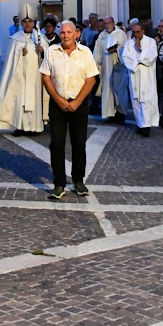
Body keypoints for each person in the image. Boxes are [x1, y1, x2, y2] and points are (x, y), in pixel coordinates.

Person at [40, 20, 99, 200]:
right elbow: (46, 77)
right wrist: (58, 100)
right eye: (63, 32)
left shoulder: (85, 53)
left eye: (69, 32)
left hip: (78, 104)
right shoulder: (52, 51)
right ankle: (59, 183)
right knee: (57, 144)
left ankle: (78, 180)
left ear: (76, 34)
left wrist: (77, 101)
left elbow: (91, 79)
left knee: (79, 144)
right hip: (57, 105)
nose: (65, 35)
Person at [0, 16, 47, 134]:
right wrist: (19, 53)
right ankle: (19, 126)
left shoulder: (40, 38)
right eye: (25, 22)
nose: (27, 24)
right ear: (21, 23)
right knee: (20, 101)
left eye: (30, 21)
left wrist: (43, 52)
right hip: (21, 76)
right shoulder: (15, 39)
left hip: (36, 77)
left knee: (35, 100)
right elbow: (9, 59)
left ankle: (35, 127)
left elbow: (48, 58)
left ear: (33, 23)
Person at [122, 21, 160, 137]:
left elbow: (152, 57)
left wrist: (140, 52)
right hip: (135, 75)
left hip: (147, 75)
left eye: (138, 32)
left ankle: (146, 126)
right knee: (136, 100)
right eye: (133, 32)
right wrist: (137, 62)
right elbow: (126, 58)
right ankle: (140, 123)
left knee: (146, 100)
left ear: (143, 31)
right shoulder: (129, 44)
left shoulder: (150, 42)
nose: (136, 35)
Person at [94, 15, 129, 124]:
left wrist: (116, 50)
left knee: (119, 90)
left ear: (113, 23)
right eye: (105, 24)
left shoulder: (121, 34)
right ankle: (110, 113)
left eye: (108, 23)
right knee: (107, 90)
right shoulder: (102, 35)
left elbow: (125, 49)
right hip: (106, 67)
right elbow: (97, 50)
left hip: (118, 66)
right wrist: (96, 64)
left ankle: (121, 114)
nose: (106, 25)